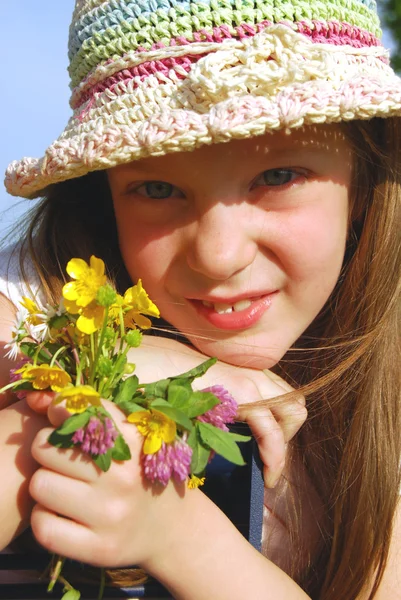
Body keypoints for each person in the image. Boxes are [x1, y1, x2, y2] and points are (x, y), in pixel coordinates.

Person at [1, 0, 400, 598]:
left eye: (278, 176)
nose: (217, 256)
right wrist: (115, 364)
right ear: (101, 195)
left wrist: (184, 541)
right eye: (157, 188)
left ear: (364, 179)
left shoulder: (384, 387)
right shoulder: (35, 297)